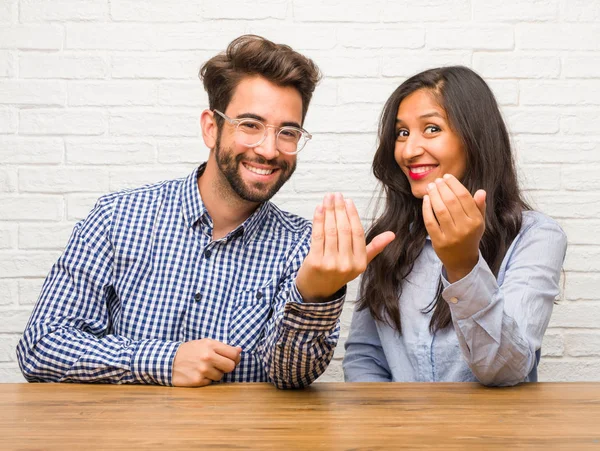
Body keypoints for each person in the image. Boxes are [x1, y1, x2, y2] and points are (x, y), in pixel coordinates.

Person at [16, 35, 394, 389]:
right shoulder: (117, 218)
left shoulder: (301, 245)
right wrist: (161, 360)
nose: (268, 149)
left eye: (288, 132)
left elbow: (289, 377)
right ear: (211, 128)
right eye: (250, 125)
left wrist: (315, 293)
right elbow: (40, 348)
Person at [343, 66, 567, 386]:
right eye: (402, 133)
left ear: (475, 138)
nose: (408, 150)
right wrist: (387, 426)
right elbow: (366, 356)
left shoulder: (535, 237)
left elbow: (505, 370)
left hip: (491, 433)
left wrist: (464, 266)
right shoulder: (387, 239)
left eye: (431, 129)